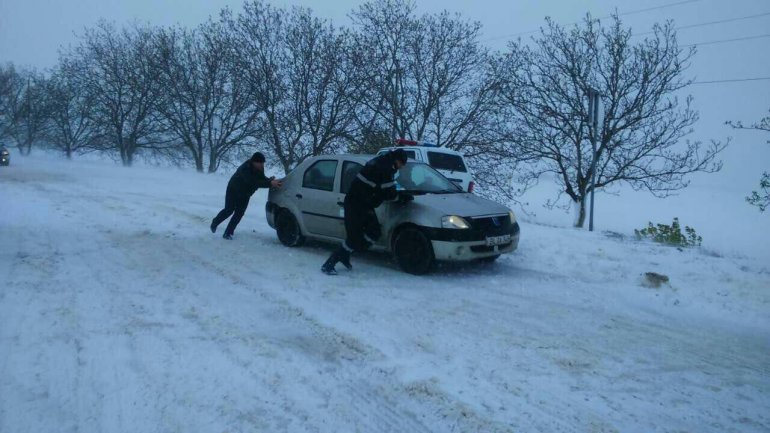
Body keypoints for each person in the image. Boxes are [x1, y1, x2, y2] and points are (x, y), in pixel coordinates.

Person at [321, 149, 409, 275]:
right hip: (356, 204)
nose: (401, 168)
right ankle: (329, 264)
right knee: (357, 236)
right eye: (402, 164)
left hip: (362, 203)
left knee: (370, 233)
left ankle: (346, 254)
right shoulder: (385, 167)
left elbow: (382, 188)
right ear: (398, 160)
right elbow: (387, 192)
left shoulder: (382, 162)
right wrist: (401, 197)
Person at [211, 151, 282, 240]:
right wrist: (270, 183)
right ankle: (215, 222)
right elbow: (253, 182)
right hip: (233, 190)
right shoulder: (245, 168)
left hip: (245, 193)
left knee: (239, 213)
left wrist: (269, 180)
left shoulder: (259, 168)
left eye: (263, 163)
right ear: (254, 161)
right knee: (229, 210)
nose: (262, 165)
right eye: (260, 163)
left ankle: (228, 233)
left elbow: (260, 178)